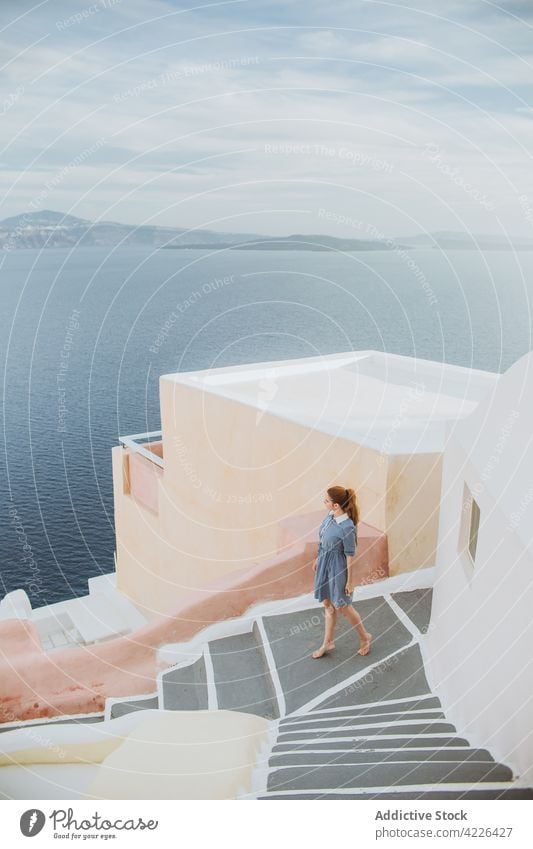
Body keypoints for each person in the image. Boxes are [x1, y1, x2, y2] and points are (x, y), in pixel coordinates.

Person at [312, 485, 372, 659]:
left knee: (343, 606)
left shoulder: (347, 527)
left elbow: (350, 555)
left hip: (338, 568)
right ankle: (328, 642)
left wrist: (349, 581)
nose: (324, 503)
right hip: (324, 563)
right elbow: (323, 539)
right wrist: (318, 557)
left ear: (335, 505)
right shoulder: (329, 516)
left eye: (326, 501)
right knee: (327, 604)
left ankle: (365, 637)